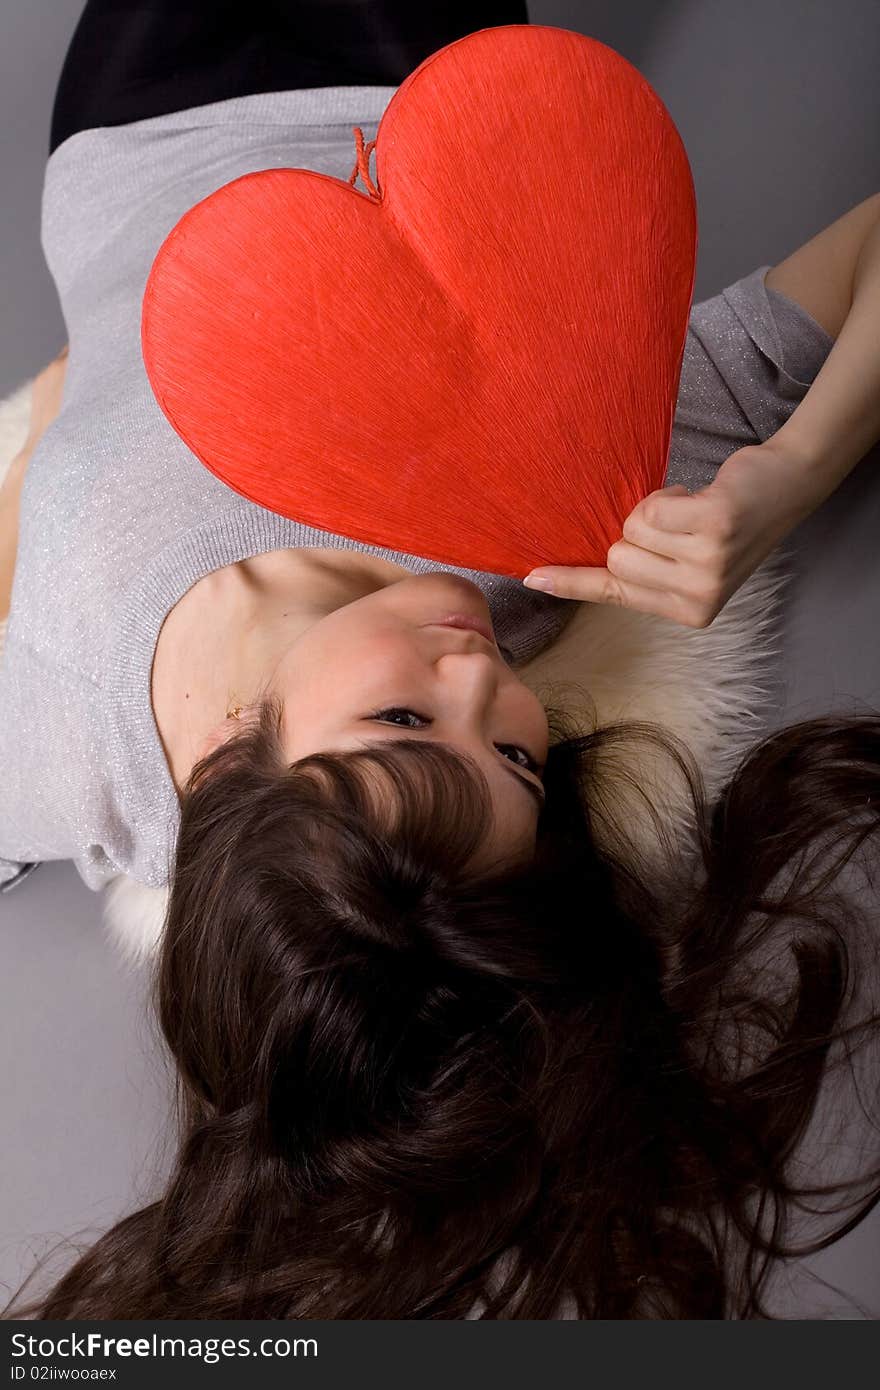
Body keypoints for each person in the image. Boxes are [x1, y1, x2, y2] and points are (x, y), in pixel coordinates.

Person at [2, 2, 879, 1319]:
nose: (483, 677)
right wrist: (787, 477)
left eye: (409, 718)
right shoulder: (542, 534)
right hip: (424, 65)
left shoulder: (60, 739)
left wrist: (60, 421)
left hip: (139, 103)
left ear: (236, 761)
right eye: (524, 754)